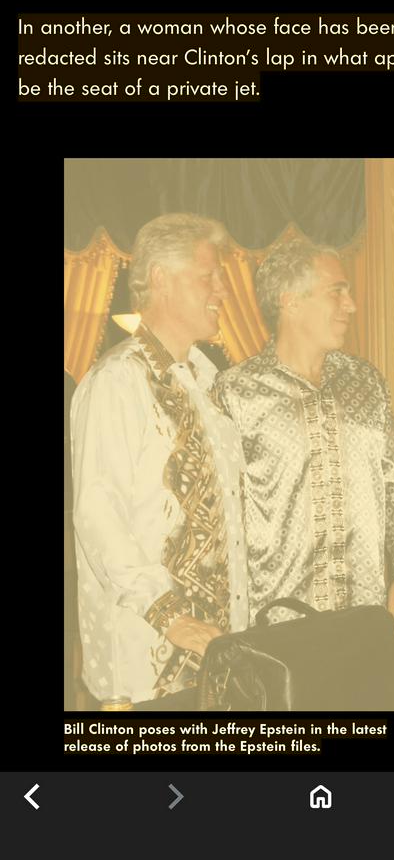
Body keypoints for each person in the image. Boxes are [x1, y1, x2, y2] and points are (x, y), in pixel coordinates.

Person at [70, 213, 248, 710]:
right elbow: (97, 513)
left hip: (218, 654)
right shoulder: (116, 381)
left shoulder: (207, 382)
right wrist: (170, 616)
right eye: (208, 276)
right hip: (149, 662)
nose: (223, 290)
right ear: (162, 280)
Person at [213, 238, 394, 638]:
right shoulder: (235, 392)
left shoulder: (365, 382)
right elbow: (219, 515)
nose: (351, 305)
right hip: (276, 625)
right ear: (291, 302)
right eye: (336, 292)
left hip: (363, 614)